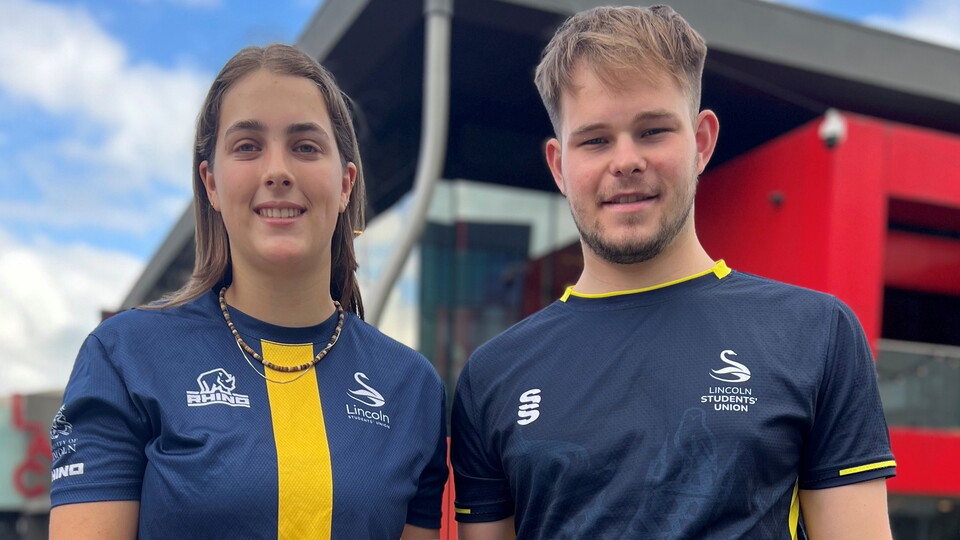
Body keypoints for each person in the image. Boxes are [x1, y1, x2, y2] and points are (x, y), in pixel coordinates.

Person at [450, 5, 896, 539]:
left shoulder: (816, 334)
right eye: (594, 140)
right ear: (558, 165)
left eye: (653, 130)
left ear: (702, 141)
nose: (626, 160)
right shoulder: (493, 375)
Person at [49, 44, 447, 540]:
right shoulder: (123, 357)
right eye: (247, 146)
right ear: (210, 183)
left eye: (305, 146)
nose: (277, 171)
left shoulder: (412, 387)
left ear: (346, 183)